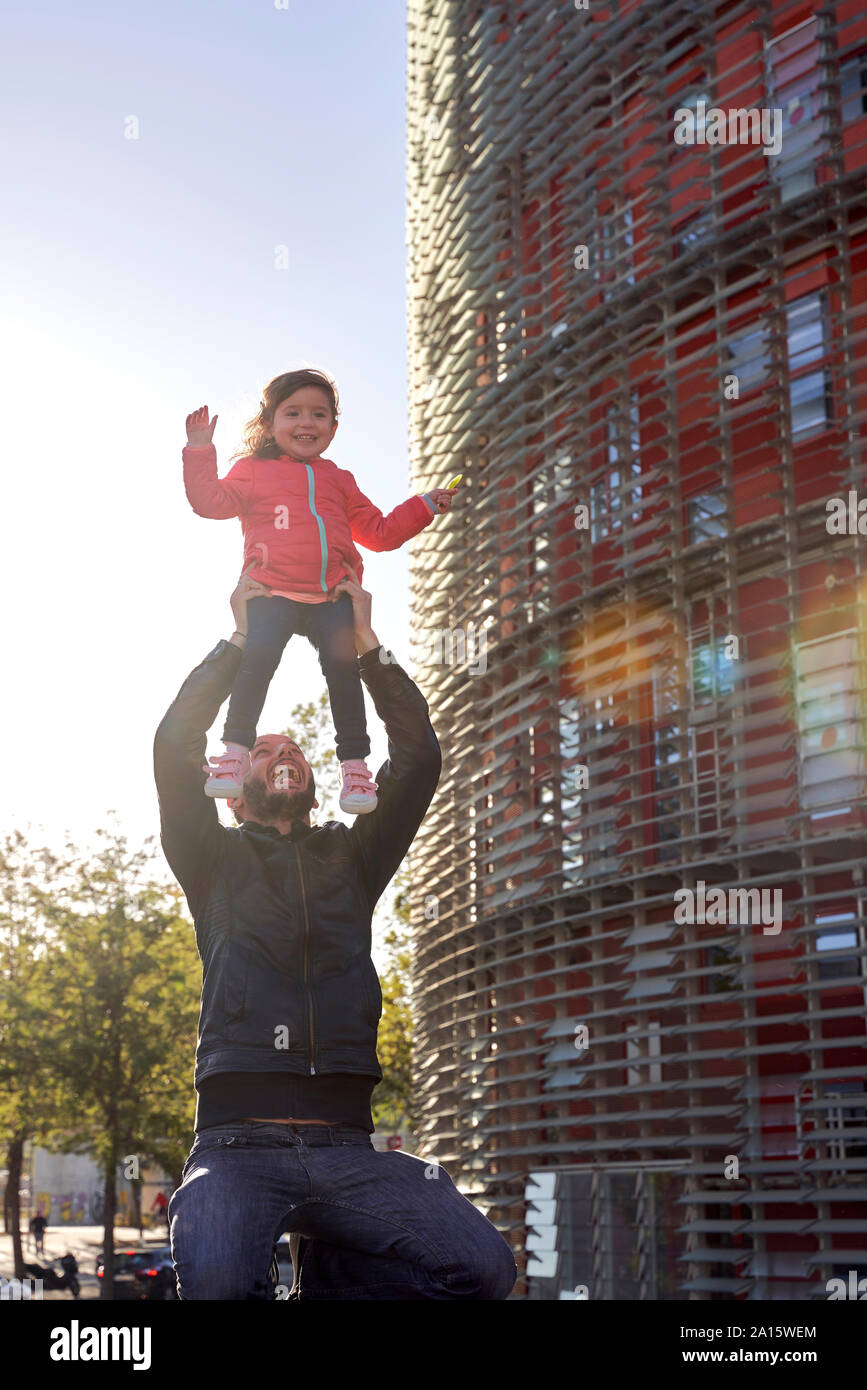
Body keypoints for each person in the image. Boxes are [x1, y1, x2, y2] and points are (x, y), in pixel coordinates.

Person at [154, 570, 517, 1301]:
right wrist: (238, 639)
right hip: (236, 1144)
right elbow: (174, 741)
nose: (283, 753)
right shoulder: (210, 855)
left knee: (481, 1270)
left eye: (294, 750)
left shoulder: (352, 857)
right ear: (232, 777)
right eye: (263, 750)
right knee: (219, 1289)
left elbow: (418, 761)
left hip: (351, 1145)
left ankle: (325, 1280)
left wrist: (368, 649)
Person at [182, 366, 456, 815]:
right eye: (292, 413)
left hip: (331, 597)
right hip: (271, 592)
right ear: (270, 423)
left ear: (332, 427)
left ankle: (355, 769)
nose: (306, 423)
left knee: (344, 675)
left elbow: (380, 532)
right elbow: (209, 503)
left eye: (319, 415)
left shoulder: (339, 480)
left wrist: (424, 506)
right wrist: (199, 450)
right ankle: (233, 753)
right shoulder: (253, 472)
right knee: (257, 663)